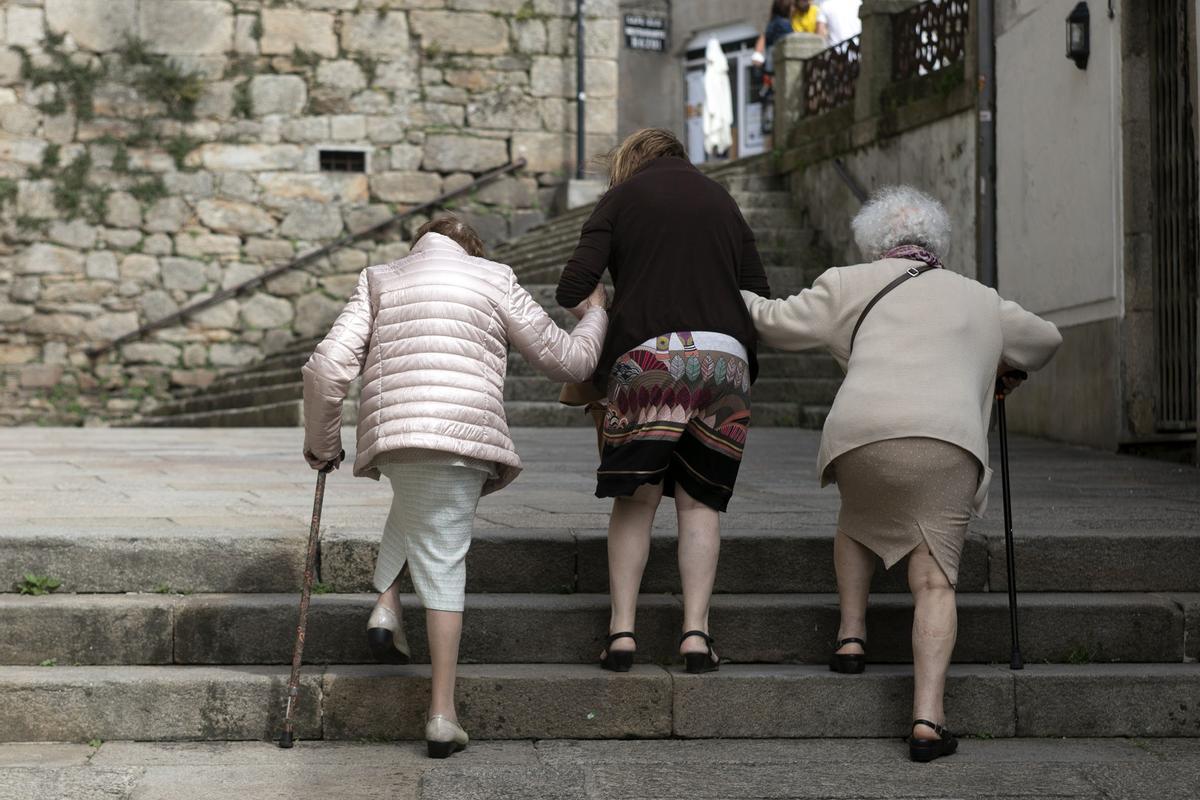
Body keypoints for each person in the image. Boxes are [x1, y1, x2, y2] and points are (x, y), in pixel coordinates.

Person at [739, 186, 1062, 762]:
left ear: (873, 242)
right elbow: (1044, 339)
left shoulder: (847, 283)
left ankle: (851, 636)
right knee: (934, 581)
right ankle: (927, 720)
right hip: (946, 441)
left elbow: (771, 321)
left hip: (861, 436)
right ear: (939, 242)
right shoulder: (981, 298)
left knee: (855, 517)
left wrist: (727, 286)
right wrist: (997, 360)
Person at [301, 216, 607, 759]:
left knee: (418, 503)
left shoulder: (380, 278)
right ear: (473, 250)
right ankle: (442, 715)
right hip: (463, 433)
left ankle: (387, 604)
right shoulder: (494, 277)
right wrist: (597, 314)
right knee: (443, 558)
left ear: (418, 246)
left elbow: (326, 369)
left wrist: (324, 446)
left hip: (397, 435)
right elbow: (568, 361)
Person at [555, 128, 772, 675]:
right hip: (725, 363)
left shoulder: (621, 198)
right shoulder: (722, 200)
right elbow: (758, 295)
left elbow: (572, 286)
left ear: (629, 162)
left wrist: (603, 308)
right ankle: (695, 635)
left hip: (652, 359)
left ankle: (622, 633)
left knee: (637, 501)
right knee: (700, 504)